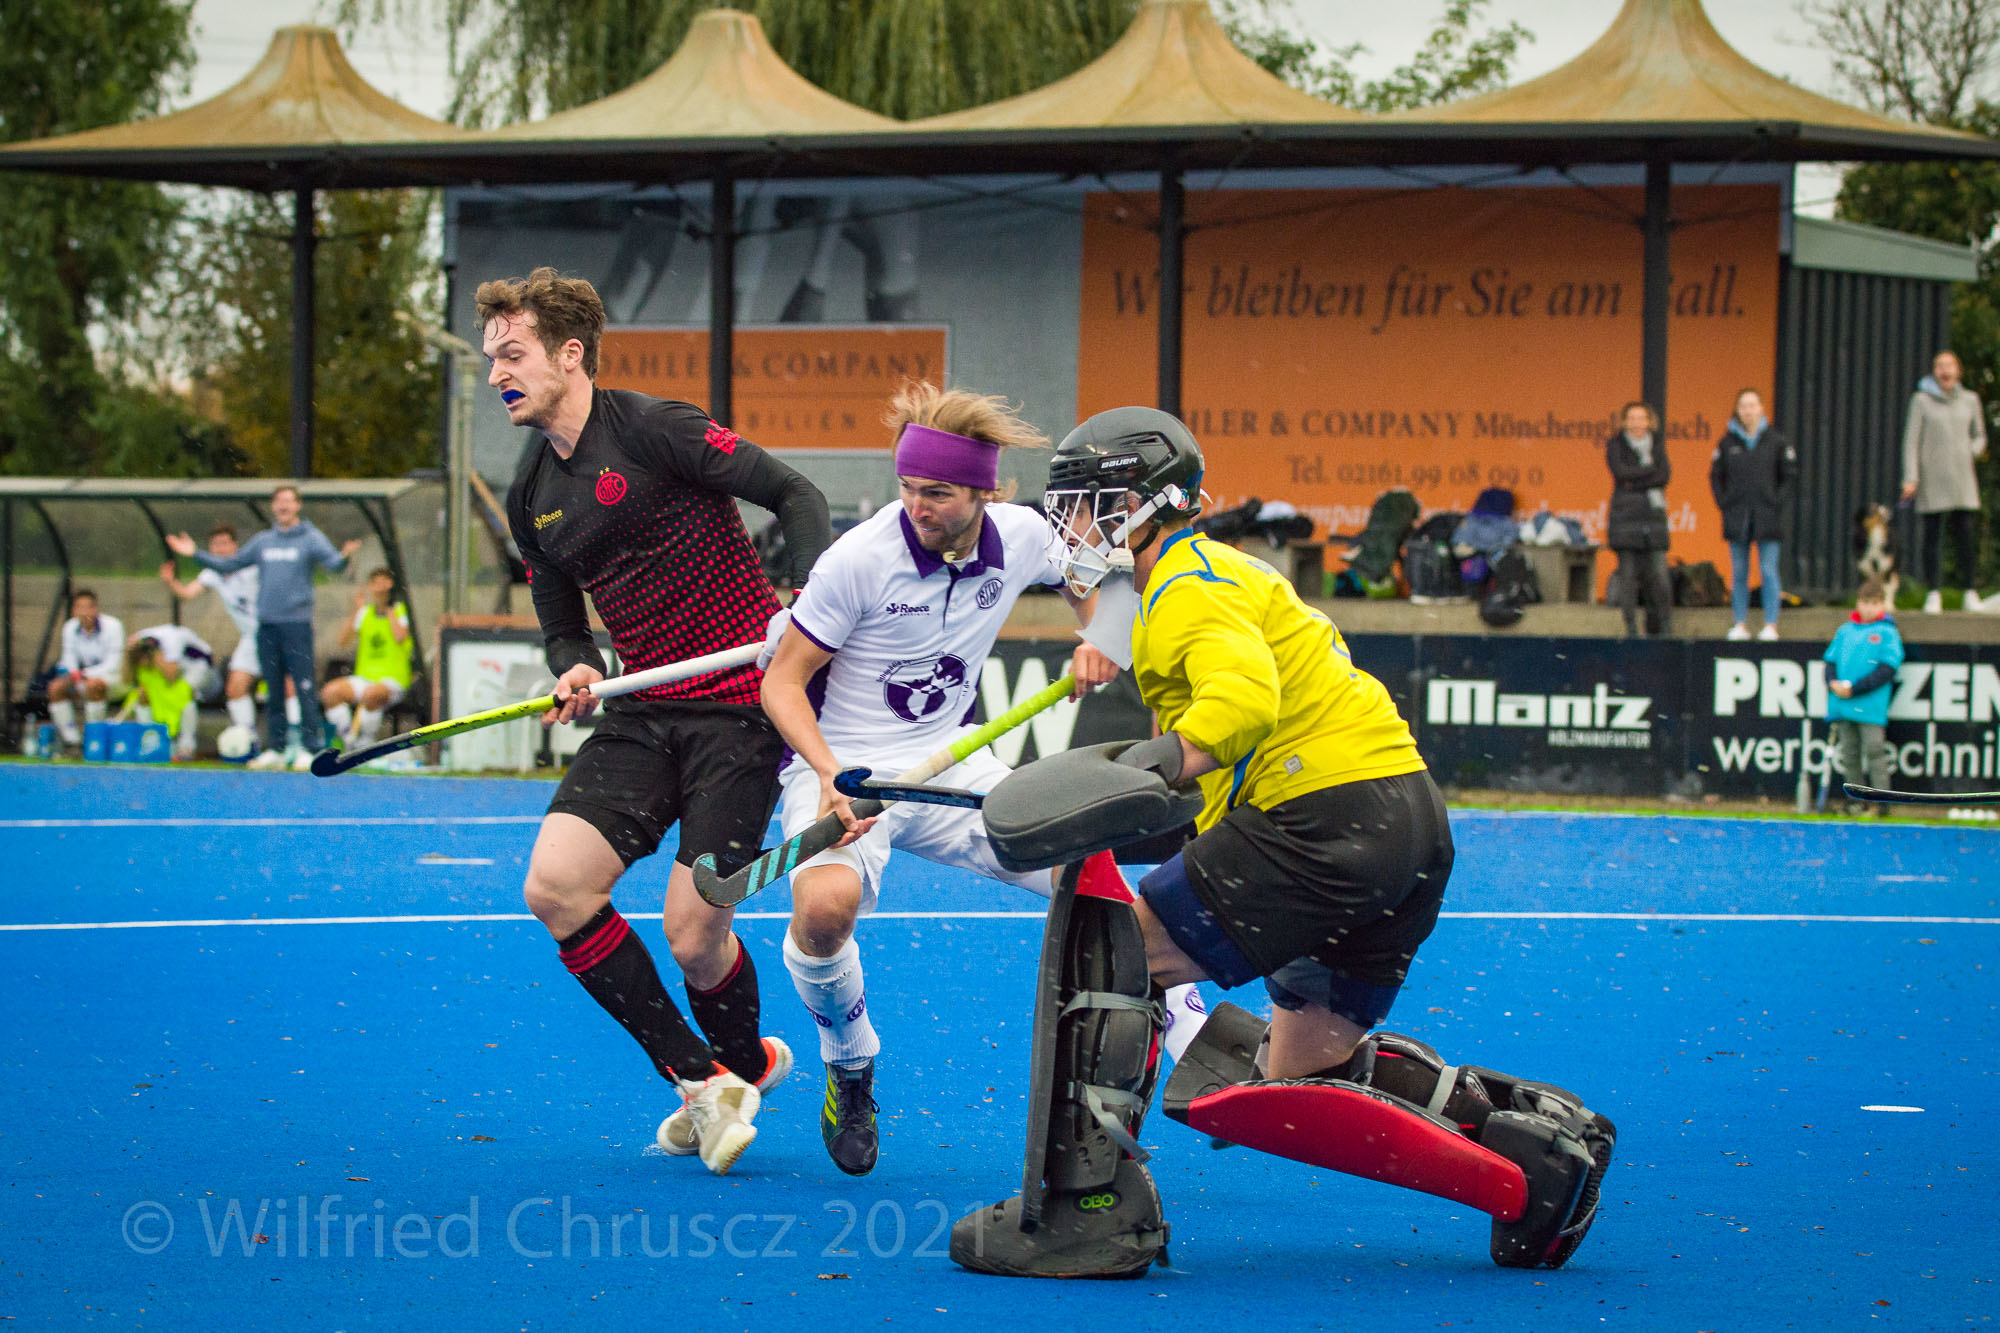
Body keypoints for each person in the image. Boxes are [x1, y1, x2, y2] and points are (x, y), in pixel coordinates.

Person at [952, 407, 1614, 1278]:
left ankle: (1088, 1213)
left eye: (1087, 504)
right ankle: (1536, 1158)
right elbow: (1205, 784)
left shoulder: (1183, 587)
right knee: (1302, 1067)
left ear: (1144, 505)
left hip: (1324, 816)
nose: (1069, 523)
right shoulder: (1222, 572)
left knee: (1110, 953)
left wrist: (1144, 765)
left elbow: (1241, 705)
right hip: (1403, 818)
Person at [758, 382, 1199, 1178]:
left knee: (1092, 877)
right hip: (847, 765)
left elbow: (1109, 587)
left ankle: (1197, 1041)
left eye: (938, 492)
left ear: (984, 494)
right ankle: (850, 1064)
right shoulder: (858, 560)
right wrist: (826, 776)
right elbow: (782, 683)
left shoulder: (1024, 535)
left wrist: (1104, 635)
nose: (917, 506)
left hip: (952, 756)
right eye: (908, 486)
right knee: (822, 913)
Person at [487, 266, 833, 1175]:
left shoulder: (656, 428)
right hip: (642, 706)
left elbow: (796, 493)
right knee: (555, 887)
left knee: (693, 931)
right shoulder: (530, 494)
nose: (497, 374)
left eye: (513, 354)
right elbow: (560, 613)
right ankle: (701, 1079)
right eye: (492, 358)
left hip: (742, 708)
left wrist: (809, 601)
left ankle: (744, 1064)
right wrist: (576, 663)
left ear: (570, 354)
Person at [168, 487, 361, 770]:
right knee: (273, 690)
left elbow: (334, 564)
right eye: (278, 501)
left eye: (288, 501)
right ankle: (277, 748)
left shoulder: (310, 538)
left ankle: (309, 747)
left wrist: (344, 557)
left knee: (303, 687)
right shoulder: (263, 541)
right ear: (273, 507)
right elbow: (231, 563)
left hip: (296, 626)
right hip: (267, 627)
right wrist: (195, 554)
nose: (283, 506)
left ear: (297, 505)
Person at [161, 524, 298, 740]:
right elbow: (187, 594)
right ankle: (248, 740)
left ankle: (297, 741)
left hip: (275, 634)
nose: (221, 549)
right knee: (235, 687)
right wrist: (171, 582)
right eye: (216, 545)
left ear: (235, 546)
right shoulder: (211, 573)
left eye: (225, 543)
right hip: (251, 639)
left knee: (289, 687)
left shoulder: (252, 567)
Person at [1900, 350, 1989, 613]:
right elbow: (1911, 442)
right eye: (1939, 366)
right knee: (1932, 536)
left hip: (1962, 479)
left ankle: (1969, 591)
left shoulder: (1970, 400)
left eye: (1949, 365)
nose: (1944, 370)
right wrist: (1911, 477)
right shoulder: (1921, 401)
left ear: (1958, 371)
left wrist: (1970, 450)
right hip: (1932, 479)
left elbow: (1980, 436)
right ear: (1934, 371)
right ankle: (1933, 593)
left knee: (1965, 536)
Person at [1710, 388, 1797, 641]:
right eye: (1743, 406)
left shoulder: (1777, 441)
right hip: (1737, 517)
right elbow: (1716, 476)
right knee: (1739, 572)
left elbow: (1789, 476)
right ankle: (1740, 623)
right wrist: (1726, 503)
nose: (1748, 411)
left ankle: (1771, 624)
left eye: (1752, 405)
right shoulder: (1727, 443)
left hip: (1767, 517)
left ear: (1761, 408)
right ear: (1737, 410)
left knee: (1768, 570)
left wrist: (1775, 502)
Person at [1824, 577, 1904, 817]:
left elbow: (1887, 669)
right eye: (1865, 602)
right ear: (1858, 603)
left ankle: (1881, 803)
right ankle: (1856, 802)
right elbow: (1830, 662)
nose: (1869, 608)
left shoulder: (1887, 632)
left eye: (1874, 603)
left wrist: (1856, 688)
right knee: (1849, 755)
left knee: (1875, 752)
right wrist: (1832, 683)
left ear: (1882, 605)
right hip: (1843, 705)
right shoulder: (1845, 630)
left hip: (1871, 707)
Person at [321, 568, 415, 748]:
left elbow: (400, 637)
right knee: (330, 693)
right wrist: (356, 610)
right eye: (375, 584)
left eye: (384, 584)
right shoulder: (365, 613)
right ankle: (348, 737)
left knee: (371, 695)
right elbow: (343, 641)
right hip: (365, 678)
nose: (379, 589)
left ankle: (366, 742)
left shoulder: (401, 611)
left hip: (393, 680)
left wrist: (389, 610)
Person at [1605, 401, 1673, 637]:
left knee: (1659, 575)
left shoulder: (1658, 444)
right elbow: (1620, 473)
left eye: (1641, 418)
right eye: (1632, 418)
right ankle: (1631, 627)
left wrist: (1634, 482)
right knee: (1628, 576)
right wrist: (1649, 472)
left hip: (1653, 519)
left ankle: (1664, 626)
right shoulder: (1615, 445)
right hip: (1624, 519)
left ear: (1649, 421)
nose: (1636, 423)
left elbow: (1665, 476)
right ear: (1624, 422)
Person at [47, 589, 125, 749]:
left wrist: (85, 674)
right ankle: (72, 741)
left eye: (88, 607)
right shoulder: (70, 627)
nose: (84, 612)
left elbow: (114, 664)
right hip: (82, 679)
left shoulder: (114, 626)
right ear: (74, 610)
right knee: (55, 688)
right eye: (79, 607)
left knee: (93, 685)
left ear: (96, 609)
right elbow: (68, 657)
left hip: (114, 681)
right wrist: (74, 673)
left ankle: (94, 738)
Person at [115, 631, 203, 760]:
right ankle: (149, 742)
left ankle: (186, 746)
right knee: (142, 695)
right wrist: (129, 653)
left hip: (176, 698)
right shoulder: (141, 669)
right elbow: (126, 680)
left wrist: (155, 653)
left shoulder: (169, 652)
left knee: (188, 701)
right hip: (154, 709)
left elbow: (171, 677)